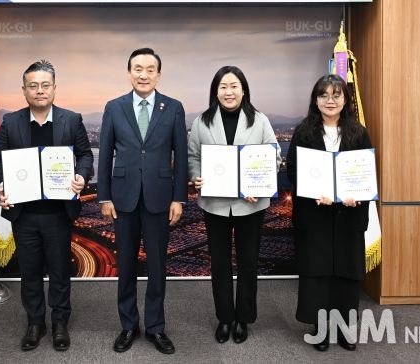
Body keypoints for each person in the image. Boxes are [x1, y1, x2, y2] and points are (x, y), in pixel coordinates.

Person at [0, 60, 93, 352]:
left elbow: (86, 155)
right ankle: (35, 323)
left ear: (54, 88)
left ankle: (60, 323)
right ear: (24, 90)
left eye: (45, 85)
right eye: (33, 86)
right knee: (30, 272)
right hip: (24, 213)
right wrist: (3, 184)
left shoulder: (71, 120)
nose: (39, 91)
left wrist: (81, 176)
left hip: (58, 213)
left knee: (60, 271)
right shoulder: (11, 122)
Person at [98, 47, 188, 355]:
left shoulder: (173, 108)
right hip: (123, 198)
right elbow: (105, 155)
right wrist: (104, 196)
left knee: (157, 266)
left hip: (160, 198)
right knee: (125, 265)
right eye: (138, 68)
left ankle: (156, 327)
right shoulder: (114, 107)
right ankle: (128, 325)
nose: (144, 74)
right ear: (129, 73)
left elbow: (181, 156)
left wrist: (179, 198)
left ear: (158, 75)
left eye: (150, 69)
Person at [187, 66, 281, 344]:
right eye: (223, 87)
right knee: (219, 263)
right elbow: (193, 157)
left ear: (243, 90)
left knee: (248, 263)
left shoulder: (260, 120)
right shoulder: (202, 121)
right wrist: (196, 176)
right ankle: (225, 318)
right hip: (215, 204)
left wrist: (258, 184)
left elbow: (274, 156)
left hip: (250, 205)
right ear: (215, 92)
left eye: (234, 86)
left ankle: (244, 318)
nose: (229, 92)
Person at [286, 74, 372, 352]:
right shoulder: (304, 132)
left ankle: (345, 328)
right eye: (323, 95)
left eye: (336, 95)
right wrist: (313, 192)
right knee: (318, 272)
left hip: (348, 214)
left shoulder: (358, 132)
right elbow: (293, 170)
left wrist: (356, 195)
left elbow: (365, 172)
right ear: (315, 100)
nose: (330, 100)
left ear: (345, 99)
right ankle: (320, 328)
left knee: (346, 272)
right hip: (316, 214)